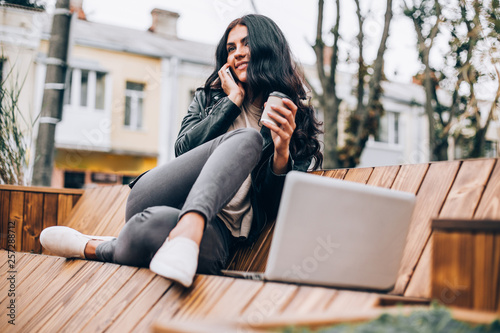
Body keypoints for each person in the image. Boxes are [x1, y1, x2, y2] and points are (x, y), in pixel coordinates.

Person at [40, 14, 323, 288]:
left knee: (144, 230)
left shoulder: (295, 120)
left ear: (269, 47)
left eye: (246, 43)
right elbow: (184, 150)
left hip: (221, 231)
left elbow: (272, 207)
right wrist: (231, 103)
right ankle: (188, 230)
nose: (237, 53)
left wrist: (281, 151)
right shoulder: (209, 99)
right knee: (247, 139)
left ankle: (94, 246)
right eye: (231, 47)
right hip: (163, 196)